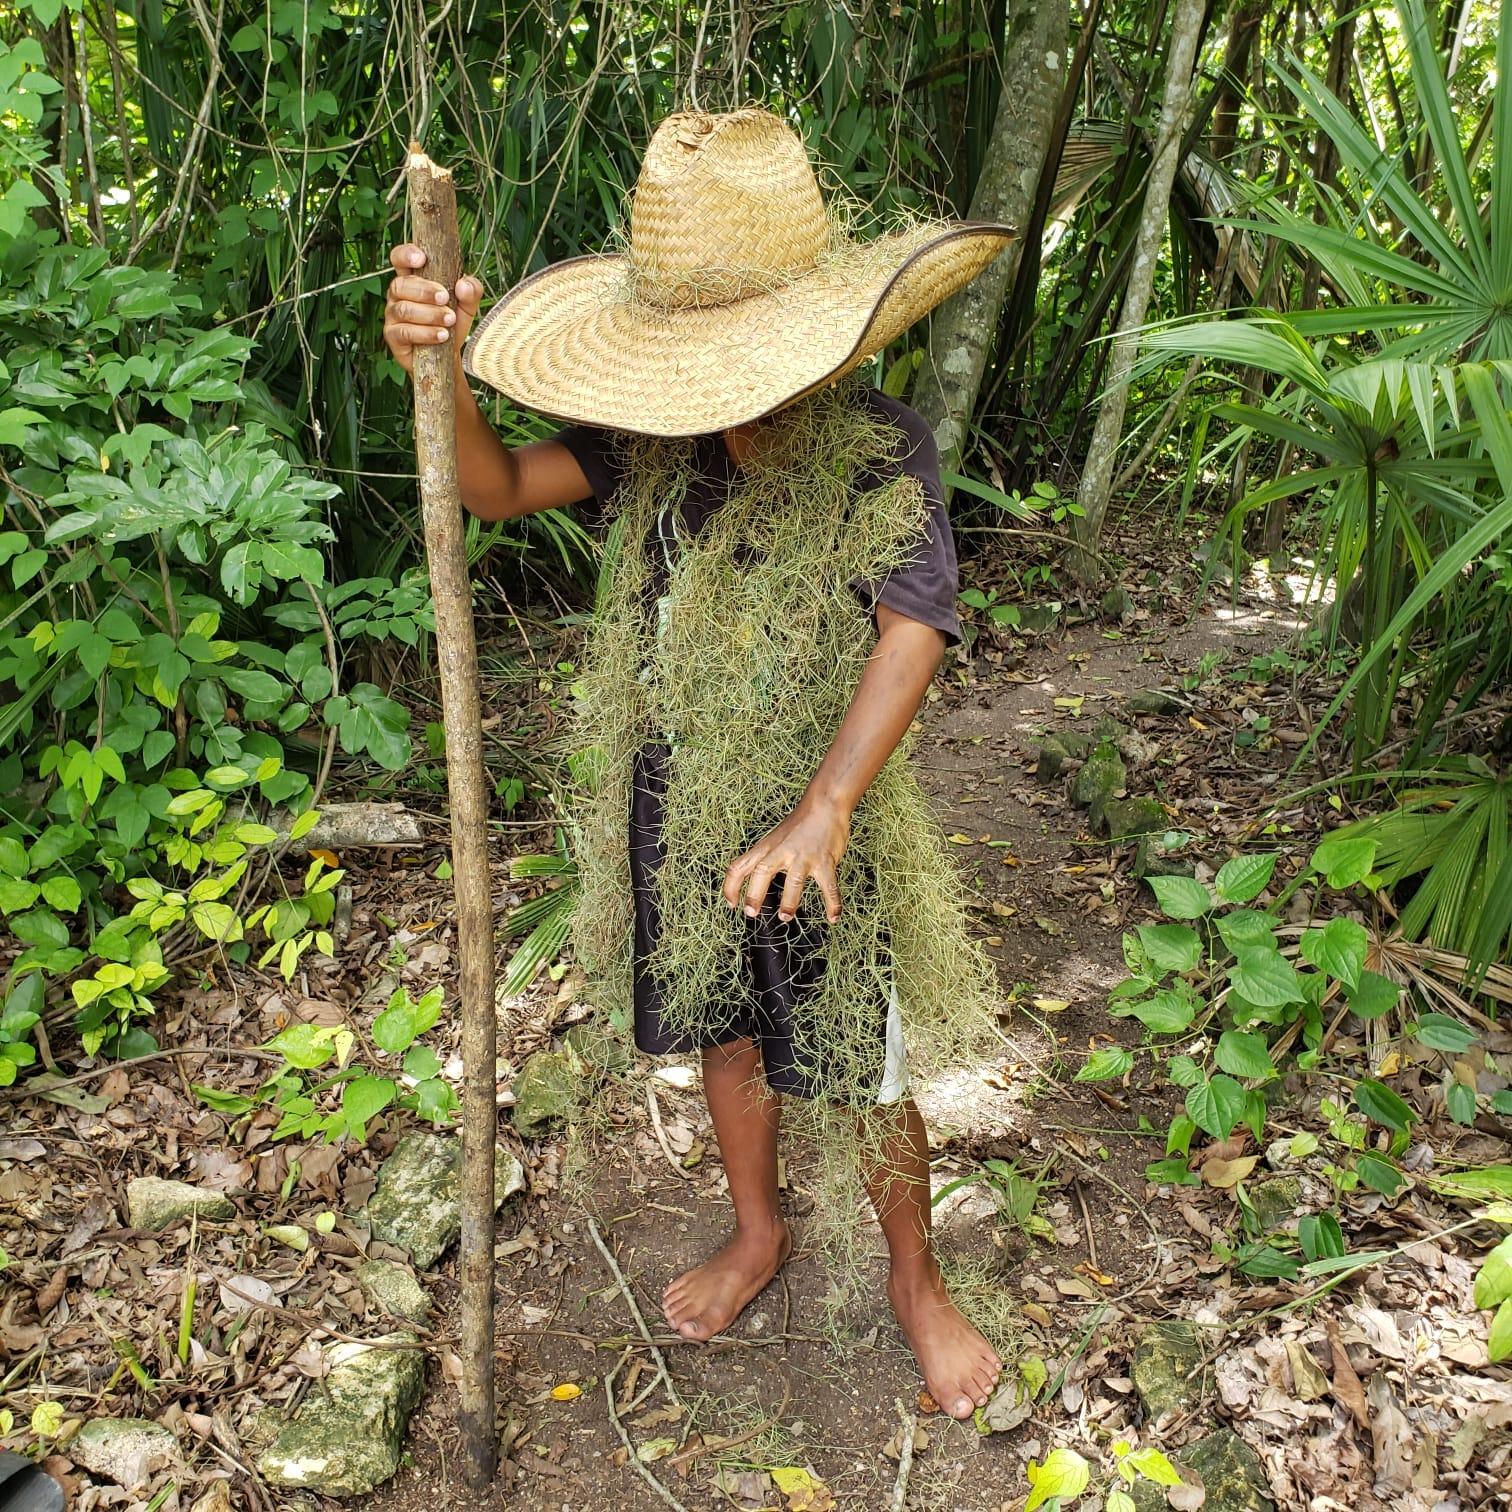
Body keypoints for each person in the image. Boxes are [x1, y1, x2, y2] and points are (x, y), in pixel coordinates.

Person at [382, 107, 1013, 1420]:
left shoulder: (876, 447)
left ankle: (914, 1277)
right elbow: (491, 489)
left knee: (862, 1063)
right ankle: (758, 1228)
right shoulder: (647, 446)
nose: (738, 395)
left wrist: (827, 809)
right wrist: (431, 370)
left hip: (823, 807)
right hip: (681, 797)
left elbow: (916, 622)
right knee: (723, 1031)